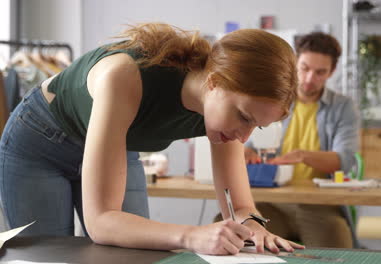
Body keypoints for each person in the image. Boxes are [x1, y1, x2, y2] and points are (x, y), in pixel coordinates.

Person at [0, 23, 305, 255]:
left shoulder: (225, 115)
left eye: (258, 127)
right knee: (49, 256)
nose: (244, 136)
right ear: (214, 83)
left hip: (118, 145)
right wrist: (192, 235)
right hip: (40, 142)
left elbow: (239, 204)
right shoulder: (124, 76)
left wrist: (254, 225)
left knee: (132, 254)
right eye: (244, 117)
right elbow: (102, 222)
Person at [244, 32, 360, 248]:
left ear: (332, 72)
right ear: (295, 62)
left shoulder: (343, 107)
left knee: (339, 252)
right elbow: (250, 143)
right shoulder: (273, 98)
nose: (309, 79)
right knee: (235, 231)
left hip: (319, 204)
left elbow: (344, 160)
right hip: (271, 204)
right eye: (305, 68)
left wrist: (302, 156)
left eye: (320, 72)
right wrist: (246, 151)